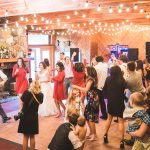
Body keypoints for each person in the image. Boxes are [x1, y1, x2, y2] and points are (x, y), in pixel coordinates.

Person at [73, 66, 99, 141]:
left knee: (91, 119)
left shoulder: (90, 79)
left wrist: (76, 87)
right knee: (87, 117)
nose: (85, 72)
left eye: (86, 71)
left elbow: (86, 90)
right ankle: (91, 133)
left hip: (93, 100)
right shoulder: (89, 79)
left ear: (90, 71)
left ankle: (94, 135)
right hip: (90, 100)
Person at [103, 65, 126, 148]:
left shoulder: (108, 79)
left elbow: (104, 90)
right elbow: (124, 90)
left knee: (109, 119)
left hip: (111, 101)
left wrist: (108, 96)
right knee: (121, 122)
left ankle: (105, 135)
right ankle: (122, 141)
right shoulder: (122, 80)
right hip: (120, 102)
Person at [17, 80, 43, 150]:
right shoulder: (41, 95)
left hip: (25, 115)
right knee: (32, 136)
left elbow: (21, 101)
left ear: (31, 85)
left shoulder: (26, 92)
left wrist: (21, 109)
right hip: (33, 116)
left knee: (25, 137)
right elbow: (40, 102)